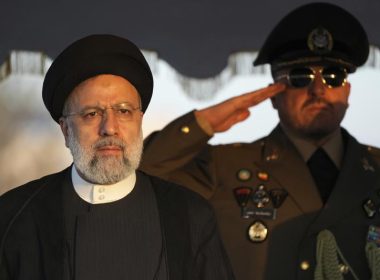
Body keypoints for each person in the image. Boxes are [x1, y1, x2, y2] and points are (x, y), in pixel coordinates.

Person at [140, 3, 380, 280]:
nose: (318, 89)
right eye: (300, 77)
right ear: (274, 94)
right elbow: (144, 176)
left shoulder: (375, 168)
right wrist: (201, 124)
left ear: (347, 92)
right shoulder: (224, 167)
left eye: (333, 76)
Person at [0, 34, 235, 280]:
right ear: (66, 130)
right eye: (92, 114)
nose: (110, 128)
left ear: (139, 121)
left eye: (124, 111)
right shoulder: (15, 216)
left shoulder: (190, 215)